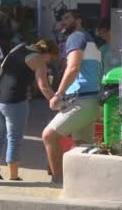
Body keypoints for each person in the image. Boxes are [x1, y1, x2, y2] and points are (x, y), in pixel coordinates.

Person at [42, 10, 102, 184]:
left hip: (81, 100)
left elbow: (73, 67)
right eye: (62, 19)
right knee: (82, 145)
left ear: (78, 20)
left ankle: (59, 180)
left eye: (67, 18)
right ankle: (85, 183)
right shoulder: (89, 39)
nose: (64, 22)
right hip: (91, 100)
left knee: (49, 136)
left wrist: (58, 94)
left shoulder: (76, 37)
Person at [0, 40, 60, 181]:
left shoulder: (18, 47)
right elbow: (44, 86)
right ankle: (14, 176)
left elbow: (1, 69)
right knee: (14, 139)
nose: (49, 62)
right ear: (47, 53)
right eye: (51, 59)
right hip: (15, 101)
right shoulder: (39, 60)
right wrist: (57, 102)